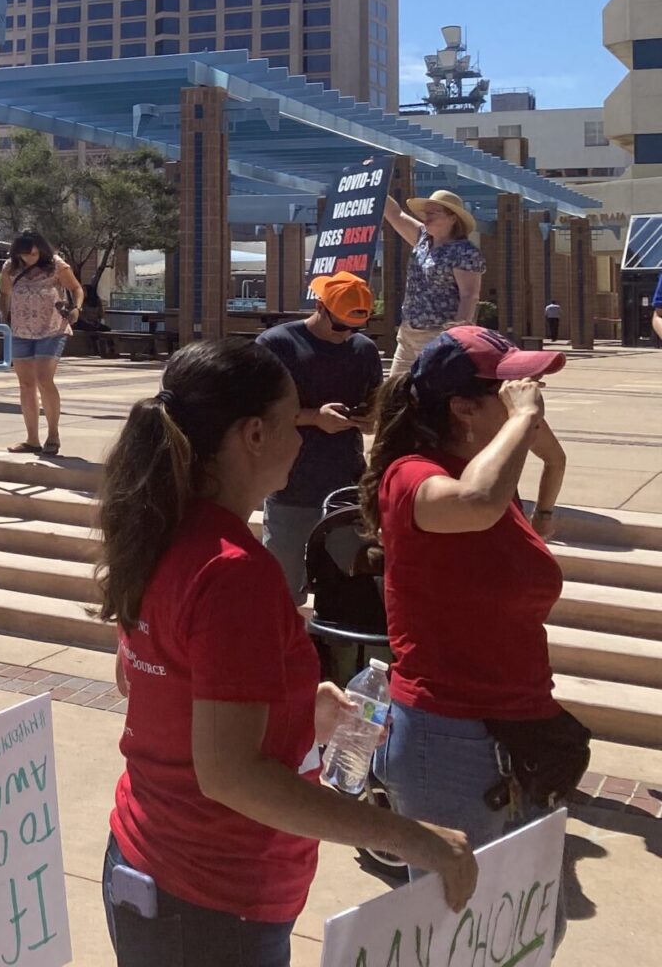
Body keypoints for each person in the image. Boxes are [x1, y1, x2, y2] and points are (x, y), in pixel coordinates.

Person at [97, 340, 475, 965]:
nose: (301, 438)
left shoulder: (164, 531)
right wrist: (413, 838)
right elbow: (230, 775)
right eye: (292, 419)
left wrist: (293, 708)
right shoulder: (232, 572)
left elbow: (149, 681)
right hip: (211, 901)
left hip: (158, 866)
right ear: (253, 435)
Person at [365, 326, 577, 925]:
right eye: (508, 389)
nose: (527, 397)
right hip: (449, 737)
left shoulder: (486, 470)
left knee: (533, 928)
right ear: (463, 407)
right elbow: (474, 503)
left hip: (519, 724)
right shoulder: (412, 476)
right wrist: (523, 419)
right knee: (462, 937)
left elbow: (544, 464)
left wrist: (543, 501)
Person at [254, 271, 385, 597]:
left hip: (346, 485)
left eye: (356, 327)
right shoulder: (277, 345)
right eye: (340, 326)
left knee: (352, 587)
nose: (347, 334)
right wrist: (314, 417)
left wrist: (370, 419)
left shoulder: (363, 350)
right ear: (319, 307)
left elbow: (377, 404)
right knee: (282, 589)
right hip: (291, 484)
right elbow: (255, 411)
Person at [383, 189, 485, 372]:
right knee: (396, 387)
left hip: (437, 336)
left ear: (453, 218)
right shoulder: (422, 239)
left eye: (433, 213)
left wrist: (455, 336)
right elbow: (395, 214)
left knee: (431, 387)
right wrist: (376, 184)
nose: (426, 217)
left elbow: (469, 295)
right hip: (408, 333)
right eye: (426, 213)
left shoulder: (464, 252)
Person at [2, 230, 81, 456]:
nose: (30, 258)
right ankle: (32, 440)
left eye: (34, 254)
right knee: (26, 384)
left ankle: (53, 434)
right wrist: (4, 317)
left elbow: (76, 288)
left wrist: (77, 308)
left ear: (42, 251)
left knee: (44, 379)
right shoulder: (10, 267)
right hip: (21, 331)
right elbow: (4, 293)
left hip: (51, 329)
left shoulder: (56, 265)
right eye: (25, 254)